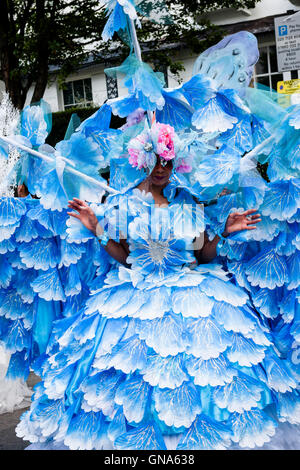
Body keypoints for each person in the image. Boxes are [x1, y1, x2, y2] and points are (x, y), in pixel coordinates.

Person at [16, 122, 300, 450]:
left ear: (175, 161)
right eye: (155, 161)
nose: (161, 168)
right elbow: (125, 258)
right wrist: (97, 229)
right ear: (141, 160)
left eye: (167, 161)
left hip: (192, 293)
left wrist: (223, 232)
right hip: (137, 295)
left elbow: (202, 254)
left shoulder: (187, 200)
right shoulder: (124, 202)